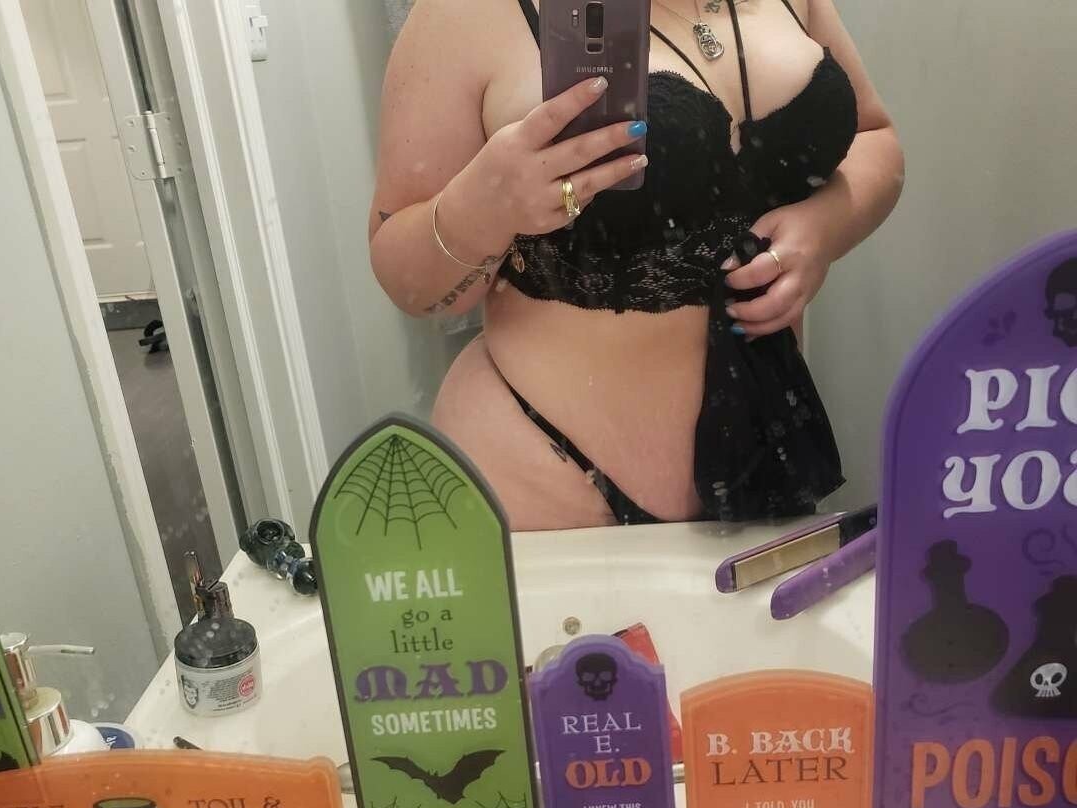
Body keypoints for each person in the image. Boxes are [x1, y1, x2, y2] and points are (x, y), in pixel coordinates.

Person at [370, 0, 903, 530]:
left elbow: (874, 136)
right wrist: (483, 209)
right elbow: (408, 281)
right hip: (544, 479)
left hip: (763, 460)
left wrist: (828, 223)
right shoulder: (466, 12)